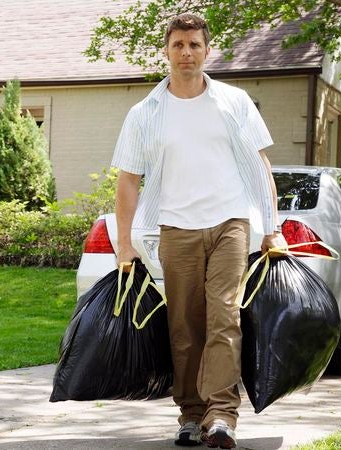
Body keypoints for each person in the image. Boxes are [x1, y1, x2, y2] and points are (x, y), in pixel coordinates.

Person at [110, 13, 287, 449]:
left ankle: (222, 415)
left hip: (230, 222)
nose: (186, 53)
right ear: (167, 52)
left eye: (194, 45)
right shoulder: (145, 112)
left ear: (208, 51)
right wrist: (125, 244)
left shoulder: (235, 102)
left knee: (224, 317)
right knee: (185, 325)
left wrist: (272, 227)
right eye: (178, 45)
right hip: (175, 228)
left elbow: (261, 165)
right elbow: (128, 180)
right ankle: (190, 413)